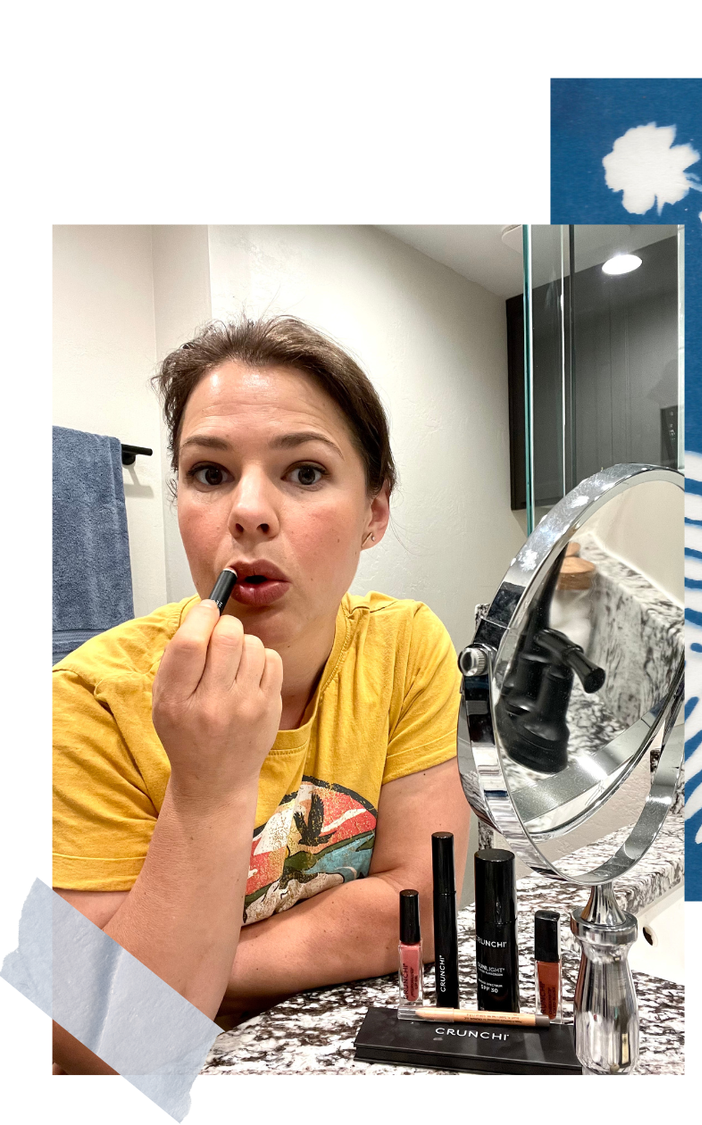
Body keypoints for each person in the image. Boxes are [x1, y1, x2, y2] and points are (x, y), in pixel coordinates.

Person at [50, 317, 469, 1073]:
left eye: (305, 472)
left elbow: (423, 904)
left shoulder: (405, 647)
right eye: (210, 474)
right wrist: (206, 789)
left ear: (374, 510)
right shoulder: (88, 701)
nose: (248, 511)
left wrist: (187, 970)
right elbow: (101, 1052)